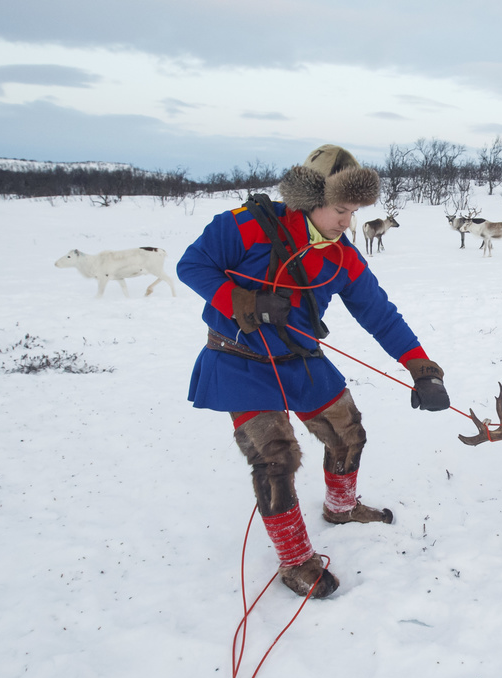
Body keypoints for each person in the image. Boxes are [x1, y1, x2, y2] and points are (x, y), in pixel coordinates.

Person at [177, 145, 449, 599]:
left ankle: (341, 508)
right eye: (341, 210)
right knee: (276, 458)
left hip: (299, 359)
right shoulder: (244, 226)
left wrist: (422, 368)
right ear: (310, 200)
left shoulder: (342, 257)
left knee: (348, 433)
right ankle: (295, 560)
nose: (348, 222)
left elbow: (379, 313)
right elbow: (192, 266)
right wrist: (243, 302)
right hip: (239, 358)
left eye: (356, 212)